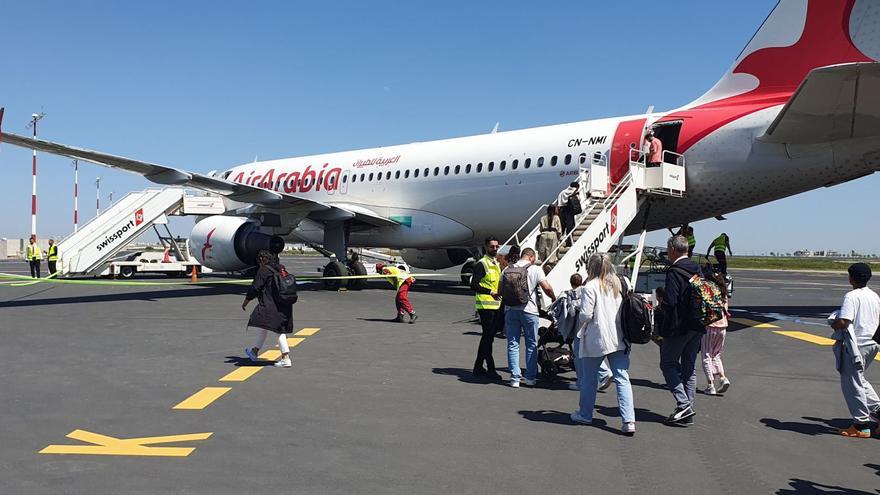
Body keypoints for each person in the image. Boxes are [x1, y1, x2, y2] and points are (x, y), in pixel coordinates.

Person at [570, 253, 635, 435]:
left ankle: (585, 413)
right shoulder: (622, 282)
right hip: (621, 337)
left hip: (596, 338)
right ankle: (629, 420)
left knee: (589, 379)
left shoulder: (590, 287)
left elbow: (585, 315)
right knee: (622, 377)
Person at [656, 235, 704, 425]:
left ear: (673, 250)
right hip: (698, 325)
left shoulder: (674, 271)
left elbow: (671, 301)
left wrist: (659, 310)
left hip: (679, 327)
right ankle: (688, 410)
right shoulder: (697, 269)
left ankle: (683, 404)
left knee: (667, 364)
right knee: (689, 368)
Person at [829, 263, 880, 438]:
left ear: (851, 278)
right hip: (872, 343)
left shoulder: (851, 296)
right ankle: (878, 412)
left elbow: (844, 321)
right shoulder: (874, 296)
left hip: (855, 346)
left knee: (852, 384)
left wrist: (833, 324)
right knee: (859, 378)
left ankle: (860, 425)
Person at [503, 247, 556, 388]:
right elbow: (547, 288)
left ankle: (514, 378)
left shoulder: (507, 269)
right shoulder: (535, 269)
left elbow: (499, 289)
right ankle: (530, 378)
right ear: (531, 257)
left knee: (513, 344)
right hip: (529, 311)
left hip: (510, 310)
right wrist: (553, 297)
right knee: (531, 344)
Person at [242, 250, 294, 368]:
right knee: (263, 326)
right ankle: (254, 351)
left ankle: (285, 358)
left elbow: (255, 288)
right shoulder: (281, 268)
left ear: (261, 260)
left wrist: (246, 301)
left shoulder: (264, 270)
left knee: (278, 330)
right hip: (284, 303)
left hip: (271, 304)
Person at [564, 273, 612, 393]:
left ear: (571, 282)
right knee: (590, 354)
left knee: (581, 356)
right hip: (594, 326)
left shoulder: (574, 293)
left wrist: (572, 305)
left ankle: (585, 380)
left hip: (580, 328)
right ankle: (602, 374)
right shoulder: (593, 289)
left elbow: (573, 313)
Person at [471, 236, 503, 380]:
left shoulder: (496, 263)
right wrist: (490, 292)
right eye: (492, 246)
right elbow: (474, 284)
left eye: (496, 246)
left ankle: (478, 366)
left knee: (488, 338)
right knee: (488, 337)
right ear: (486, 247)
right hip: (485, 305)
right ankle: (490, 368)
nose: (495, 249)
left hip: (496, 305)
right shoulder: (481, 264)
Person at [702, 272, 731, 395]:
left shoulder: (709, 294)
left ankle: (710, 384)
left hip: (710, 326)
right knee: (716, 354)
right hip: (723, 327)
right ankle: (723, 377)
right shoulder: (723, 294)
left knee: (706, 355)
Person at [557, 182, 581, 247]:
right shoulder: (574, 193)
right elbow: (578, 200)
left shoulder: (562, 192)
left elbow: (558, 202)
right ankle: (569, 242)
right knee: (570, 227)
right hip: (569, 211)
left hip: (561, 211)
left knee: (562, 226)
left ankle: (558, 241)